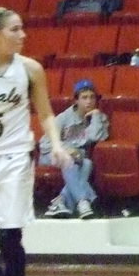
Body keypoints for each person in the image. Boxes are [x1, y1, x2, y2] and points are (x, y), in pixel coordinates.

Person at [0, 7, 71, 276]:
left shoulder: (29, 69)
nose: (23, 35)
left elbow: (45, 113)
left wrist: (56, 144)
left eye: (22, 28)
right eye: (15, 29)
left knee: (8, 236)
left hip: (15, 157)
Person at [41, 78, 109, 220]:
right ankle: (83, 201)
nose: (89, 101)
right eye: (84, 97)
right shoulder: (63, 118)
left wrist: (96, 117)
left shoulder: (99, 117)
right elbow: (45, 143)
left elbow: (96, 137)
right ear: (76, 100)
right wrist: (66, 149)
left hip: (79, 158)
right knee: (69, 160)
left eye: (92, 97)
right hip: (51, 156)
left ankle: (60, 202)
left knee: (87, 163)